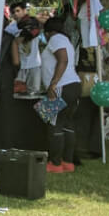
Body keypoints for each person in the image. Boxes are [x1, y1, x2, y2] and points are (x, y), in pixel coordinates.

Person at [40, 16, 81, 173]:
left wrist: (53, 83)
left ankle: (55, 163)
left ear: (48, 32)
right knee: (67, 124)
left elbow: (62, 60)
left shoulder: (55, 39)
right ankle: (67, 162)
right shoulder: (66, 40)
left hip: (60, 86)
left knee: (53, 124)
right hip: (73, 85)